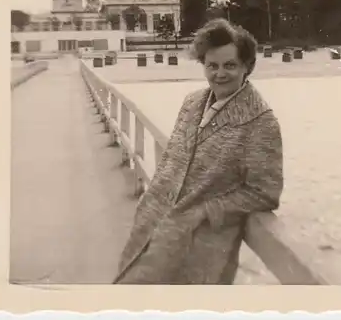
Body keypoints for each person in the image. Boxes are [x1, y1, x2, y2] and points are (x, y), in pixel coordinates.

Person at [114, 18, 284, 285]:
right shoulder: (192, 102)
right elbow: (172, 158)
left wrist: (205, 211)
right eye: (211, 65)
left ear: (247, 67)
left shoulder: (260, 122)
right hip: (151, 226)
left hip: (199, 247)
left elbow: (264, 192)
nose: (220, 74)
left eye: (230, 65)